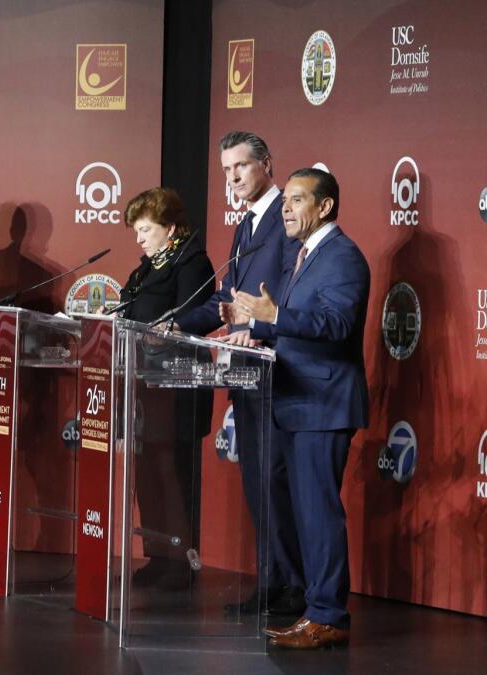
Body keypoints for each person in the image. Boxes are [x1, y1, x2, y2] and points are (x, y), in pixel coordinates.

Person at [225, 168, 369, 649]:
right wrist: (254, 327)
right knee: (303, 513)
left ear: (324, 206)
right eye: (283, 200)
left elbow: (334, 324)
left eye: (296, 200)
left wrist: (275, 317)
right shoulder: (304, 256)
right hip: (294, 400)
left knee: (318, 514)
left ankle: (328, 615)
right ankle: (313, 606)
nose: (284, 208)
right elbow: (291, 323)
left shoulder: (343, 257)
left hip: (323, 404)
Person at [175, 131, 305, 617]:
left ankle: (292, 586)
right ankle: (272, 582)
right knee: (257, 482)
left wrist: (261, 328)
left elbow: (290, 293)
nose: (232, 178)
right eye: (226, 170)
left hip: (276, 367)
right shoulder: (246, 225)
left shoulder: (285, 218)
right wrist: (173, 323)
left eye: (241, 167)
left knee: (274, 482)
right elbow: (224, 300)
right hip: (246, 373)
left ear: (266, 164)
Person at [116, 187, 214, 589]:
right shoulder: (145, 269)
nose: (138, 239)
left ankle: (180, 560)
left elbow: (194, 319)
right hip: (144, 384)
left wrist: (167, 333)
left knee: (173, 474)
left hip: (177, 385)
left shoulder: (192, 263)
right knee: (150, 475)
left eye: (144, 230)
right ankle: (158, 555)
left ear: (169, 228)